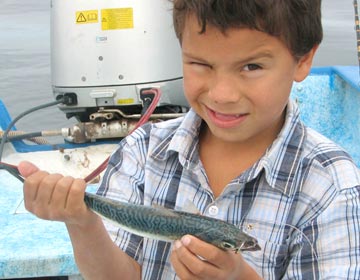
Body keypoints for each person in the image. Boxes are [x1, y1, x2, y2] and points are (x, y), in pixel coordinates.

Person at [19, 0, 360, 279]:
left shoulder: (332, 188)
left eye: (252, 67)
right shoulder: (142, 151)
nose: (222, 94)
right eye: (199, 64)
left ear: (304, 60)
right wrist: (82, 222)